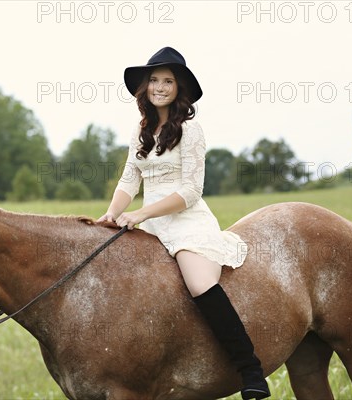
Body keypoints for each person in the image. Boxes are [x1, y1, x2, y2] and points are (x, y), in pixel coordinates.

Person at [98, 47, 271, 400]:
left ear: (180, 89)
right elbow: (130, 180)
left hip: (186, 222)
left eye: (168, 81)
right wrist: (112, 215)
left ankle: (250, 369)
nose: (160, 87)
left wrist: (143, 213)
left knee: (199, 284)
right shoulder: (142, 129)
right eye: (154, 80)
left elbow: (191, 190)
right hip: (149, 224)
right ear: (144, 87)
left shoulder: (190, 130)